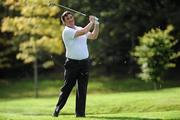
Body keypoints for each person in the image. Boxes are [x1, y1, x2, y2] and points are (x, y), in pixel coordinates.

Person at [52, 11, 99, 117]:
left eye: (71, 17)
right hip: (72, 64)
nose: (70, 19)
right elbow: (84, 31)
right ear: (64, 22)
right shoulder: (67, 31)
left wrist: (96, 24)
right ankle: (57, 109)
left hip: (84, 63)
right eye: (67, 19)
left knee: (82, 89)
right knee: (67, 88)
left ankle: (80, 114)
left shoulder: (78, 28)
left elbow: (93, 36)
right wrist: (91, 22)